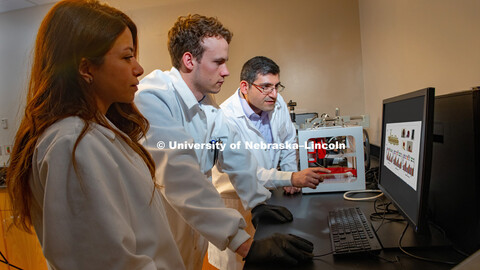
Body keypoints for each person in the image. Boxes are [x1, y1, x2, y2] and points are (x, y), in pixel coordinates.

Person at [6, 1, 185, 269]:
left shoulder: (97, 133)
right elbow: (106, 262)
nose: (138, 68)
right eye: (127, 57)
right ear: (86, 69)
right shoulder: (73, 144)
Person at [134, 14, 314, 269]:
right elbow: (178, 175)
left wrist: (257, 203)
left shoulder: (207, 105)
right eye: (218, 62)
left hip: (193, 231)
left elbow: (236, 155)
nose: (226, 71)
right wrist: (244, 244)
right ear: (189, 60)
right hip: (158, 235)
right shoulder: (153, 96)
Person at [208, 56, 330, 269]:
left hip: (267, 199)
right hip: (236, 202)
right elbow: (247, 170)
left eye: (276, 86)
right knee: (239, 263)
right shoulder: (226, 117)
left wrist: (291, 175)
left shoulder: (276, 102)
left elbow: (288, 139)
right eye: (265, 87)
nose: (274, 94)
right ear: (245, 87)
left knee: (271, 258)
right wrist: (291, 177)